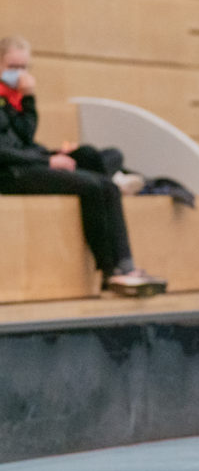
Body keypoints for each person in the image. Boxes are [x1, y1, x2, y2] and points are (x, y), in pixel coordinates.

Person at [0, 36, 166, 296]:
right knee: (91, 185)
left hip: (29, 161)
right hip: (10, 173)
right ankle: (110, 272)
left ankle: (126, 268)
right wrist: (48, 161)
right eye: (13, 66)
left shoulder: (11, 98)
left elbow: (25, 136)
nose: (19, 74)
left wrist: (28, 98)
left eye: (25, 67)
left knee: (102, 180)